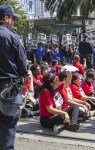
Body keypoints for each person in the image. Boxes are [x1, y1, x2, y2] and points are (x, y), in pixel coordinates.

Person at [0, 4, 27, 150]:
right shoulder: (12, 37)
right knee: (8, 124)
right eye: (13, 19)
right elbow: (22, 67)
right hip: (7, 88)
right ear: (6, 18)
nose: (14, 22)